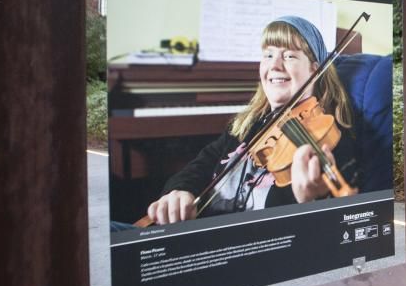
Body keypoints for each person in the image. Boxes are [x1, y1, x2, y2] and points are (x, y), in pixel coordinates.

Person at [145, 16, 357, 225]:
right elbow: (202, 164)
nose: (275, 65)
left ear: (315, 68)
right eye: (268, 55)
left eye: (289, 56)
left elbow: (326, 226)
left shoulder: (330, 139)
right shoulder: (249, 123)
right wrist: (180, 191)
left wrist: (305, 201)